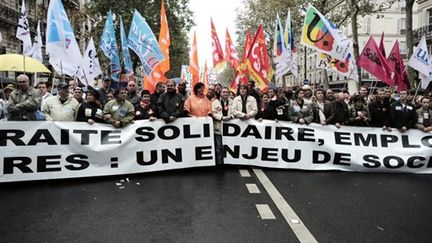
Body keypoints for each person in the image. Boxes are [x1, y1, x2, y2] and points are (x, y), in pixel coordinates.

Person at [212, 87, 234, 165]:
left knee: (229, 146)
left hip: (230, 128)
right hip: (219, 127)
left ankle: (229, 162)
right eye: (223, 92)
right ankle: (219, 162)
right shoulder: (215, 102)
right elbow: (213, 113)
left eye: (226, 92)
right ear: (220, 93)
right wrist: (221, 118)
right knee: (219, 147)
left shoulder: (232, 102)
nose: (225, 93)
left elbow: (235, 111)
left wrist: (231, 117)